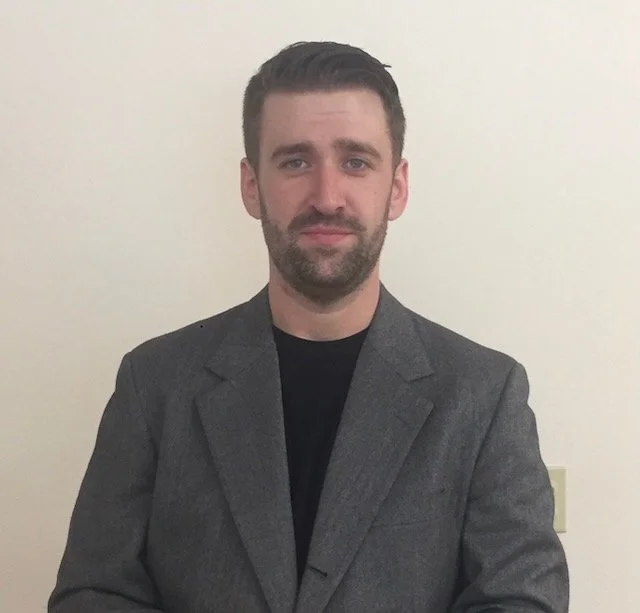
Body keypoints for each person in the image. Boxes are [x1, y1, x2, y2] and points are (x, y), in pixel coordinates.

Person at [48, 41, 569, 612]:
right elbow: (93, 594)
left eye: (356, 162)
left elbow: (521, 600)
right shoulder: (154, 384)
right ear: (252, 186)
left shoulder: (484, 394)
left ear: (396, 187)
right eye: (295, 161)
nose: (326, 197)